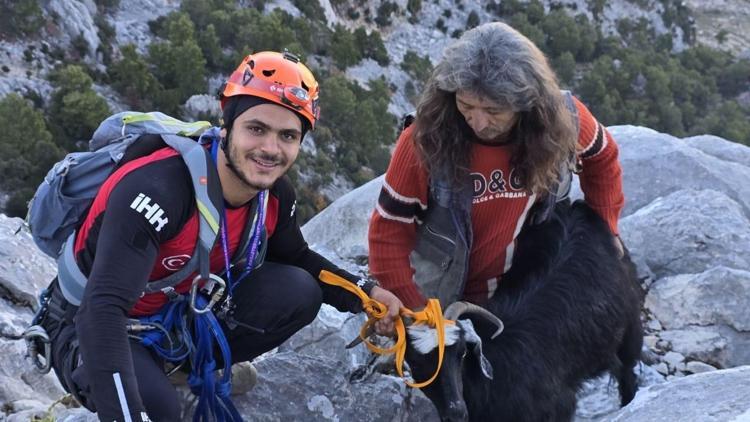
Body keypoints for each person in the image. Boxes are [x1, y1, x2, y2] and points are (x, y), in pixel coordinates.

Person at [42, 50, 402, 421]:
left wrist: (367, 294)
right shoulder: (160, 190)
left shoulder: (272, 197)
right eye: (256, 129)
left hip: (175, 321)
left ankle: (175, 371)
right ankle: (153, 384)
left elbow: (297, 258)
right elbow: (101, 311)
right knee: (160, 411)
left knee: (300, 290)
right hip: (88, 326)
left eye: (288, 135)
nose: (270, 149)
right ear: (227, 124)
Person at [368, 22, 625, 311]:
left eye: (493, 111)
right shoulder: (426, 138)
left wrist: (606, 230)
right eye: (465, 105)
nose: (477, 122)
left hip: (524, 291)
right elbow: (389, 230)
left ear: (527, 103)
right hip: (440, 296)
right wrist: (414, 314)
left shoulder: (563, 118)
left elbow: (603, 156)